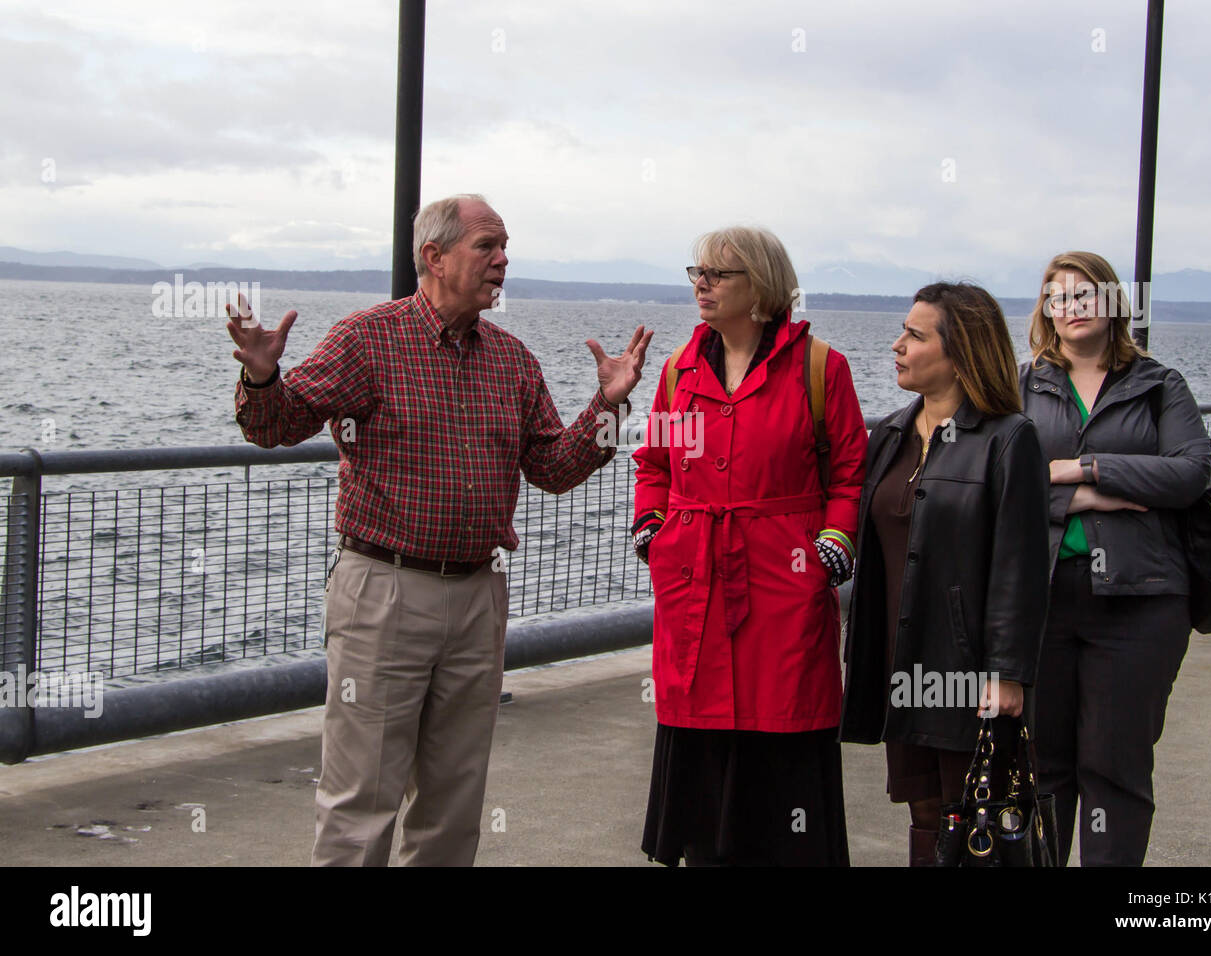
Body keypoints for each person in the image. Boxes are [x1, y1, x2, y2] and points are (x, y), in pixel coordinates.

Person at [226, 193, 652, 866]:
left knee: (452, 809)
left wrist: (609, 405)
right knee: (361, 805)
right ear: (434, 255)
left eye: (505, 246)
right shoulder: (368, 339)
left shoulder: (511, 361)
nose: (503, 259)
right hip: (384, 593)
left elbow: (553, 468)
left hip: (477, 595)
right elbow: (277, 425)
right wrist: (262, 375)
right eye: (487, 246)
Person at [631, 226, 868, 866]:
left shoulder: (822, 367)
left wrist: (832, 544)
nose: (701, 284)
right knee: (702, 743)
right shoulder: (680, 371)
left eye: (718, 274)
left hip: (784, 584)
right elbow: (653, 462)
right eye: (697, 272)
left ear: (759, 285)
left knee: (784, 738)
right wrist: (651, 529)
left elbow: (850, 474)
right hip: (695, 583)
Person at [840, 282, 1051, 866]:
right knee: (925, 812)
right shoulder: (889, 435)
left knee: (977, 812)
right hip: (901, 661)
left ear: (960, 352)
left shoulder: (1008, 439)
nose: (897, 344)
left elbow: (1022, 566)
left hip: (969, 670)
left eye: (915, 334)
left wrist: (1008, 675)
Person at [1019, 251, 1211, 866]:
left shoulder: (1159, 384)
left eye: (1084, 295)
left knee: (1116, 767)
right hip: (1042, 597)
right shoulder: (1021, 385)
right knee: (1041, 768)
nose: (1071, 308)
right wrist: (1088, 498)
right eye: (1058, 298)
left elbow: (1188, 474)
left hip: (1141, 599)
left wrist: (1083, 468)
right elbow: (1001, 481)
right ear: (1046, 311)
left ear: (1111, 302)